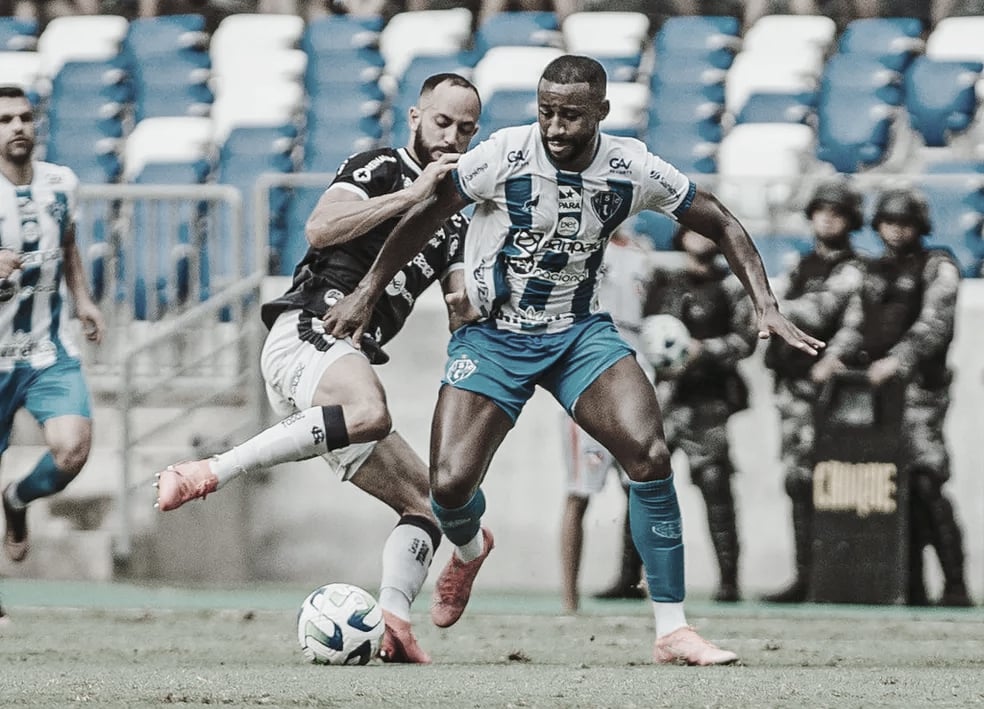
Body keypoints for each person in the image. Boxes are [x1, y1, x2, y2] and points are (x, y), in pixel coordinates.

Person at [324, 54, 823, 665]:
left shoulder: (630, 166)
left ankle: (672, 629)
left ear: (602, 114)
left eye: (570, 116)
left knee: (649, 452)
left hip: (578, 336)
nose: (555, 128)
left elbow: (717, 218)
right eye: (547, 113)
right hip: (493, 337)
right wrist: (368, 289)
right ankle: (471, 546)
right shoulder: (503, 154)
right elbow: (426, 213)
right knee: (450, 487)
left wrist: (765, 304)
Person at [152, 73, 483, 663]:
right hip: (311, 329)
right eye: (442, 122)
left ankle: (396, 624)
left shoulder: (456, 215)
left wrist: (473, 309)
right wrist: (412, 194)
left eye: (465, 128)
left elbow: (459, 298)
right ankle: (209, 471)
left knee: (429, 504)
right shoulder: (379, 166)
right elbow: (320, 228)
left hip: (340, 364)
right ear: (415, 117)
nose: (452, 138)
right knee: (370, 412)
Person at [829, 186, 972, 607]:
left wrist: (899, 359)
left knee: (927, 481)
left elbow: (935, 324)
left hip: (920, 393)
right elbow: (855, 322)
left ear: (920, 227)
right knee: (892, 488)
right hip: (875, 394)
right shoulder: (871, 271)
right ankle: (909, 586)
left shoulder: (938, 266)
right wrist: (834, 358)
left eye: (905, 223)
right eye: (889, 222)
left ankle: (955, 585)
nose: (896, 230)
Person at [0, 85, 106, 565]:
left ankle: (17, 499)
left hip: (47, 350)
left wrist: (83, 299)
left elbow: (67, 244)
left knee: (73, 450)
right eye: (4, 121)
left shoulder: (62, 182)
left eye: (24, 117)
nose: (17, 127)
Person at [760, 177, 866, 603]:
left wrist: (766, 305)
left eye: (836, 212)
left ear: (850, 220)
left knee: (835, 484)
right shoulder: (802, 266)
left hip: (832, 394)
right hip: (793, 391)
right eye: (820, 210)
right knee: (797, 482)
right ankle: (807, 576)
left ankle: (833, 578)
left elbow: (837, 318)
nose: (826, 218)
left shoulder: (854, 270)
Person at [643, 227, 756, 603]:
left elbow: (747, 339)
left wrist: (700, 351)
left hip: (709, 402)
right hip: (662, 401)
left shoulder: (731, 287)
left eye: (705, 228)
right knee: (642, 483)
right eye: (691, 228)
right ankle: (628, 576)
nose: (698, 236)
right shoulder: (664, 282)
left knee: (715, 486)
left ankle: (729, 582)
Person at [559, 225, 651, 614]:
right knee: (580, 490)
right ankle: (569, 601)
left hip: (637, 360)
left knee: (646, 485)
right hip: (590, 362)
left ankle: (656, 595)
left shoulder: (642, 252)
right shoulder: (574, 244)